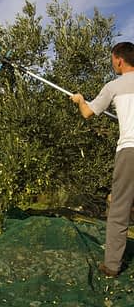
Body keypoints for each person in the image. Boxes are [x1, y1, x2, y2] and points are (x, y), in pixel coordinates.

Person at [70, 41, 134, 277]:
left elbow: (88, 113)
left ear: (118, 59)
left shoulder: (114, 86)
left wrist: (79, 100)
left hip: (130, 151)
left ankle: (112, 266)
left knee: (119, 209)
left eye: (112, 59)